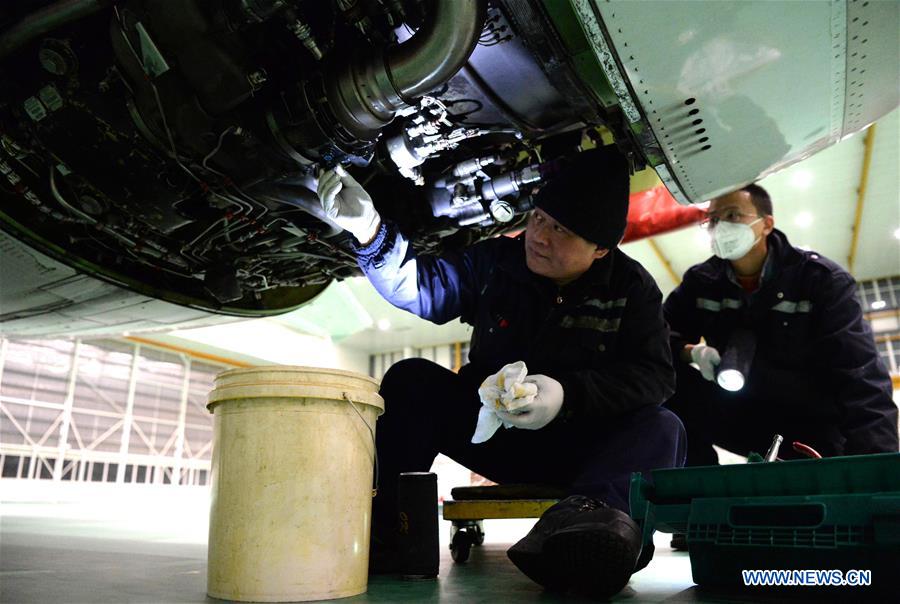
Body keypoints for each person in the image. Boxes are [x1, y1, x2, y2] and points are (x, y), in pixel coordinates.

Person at [317, 146, 686, 597]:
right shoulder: (497, 263)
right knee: (411, 379)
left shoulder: (632, 288)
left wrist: (567, 396)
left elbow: (655, 376)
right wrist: (371, 233)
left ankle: (594, 533)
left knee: (662, 425)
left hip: (583, 450)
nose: (539, 236)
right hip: (493, 436)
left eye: (562, 230)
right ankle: (393, 534)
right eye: (539, 218)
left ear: (600, 249)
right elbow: (423, 286)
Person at [664, 184, 899, 469]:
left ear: (766, 224)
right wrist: (690, 352)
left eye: (732, 215)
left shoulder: (820, 280)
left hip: (812, 421)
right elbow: (656, 336)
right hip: (742, 410)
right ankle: (697, 485)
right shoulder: (702, 282)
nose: (720, 226)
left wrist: (876, 468)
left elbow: (860, 374)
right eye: (712, 219)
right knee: (665, 379)